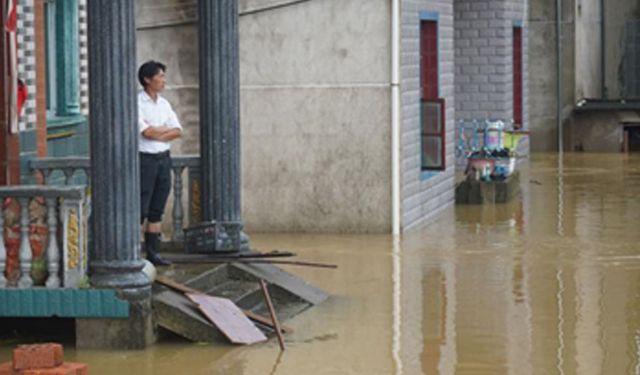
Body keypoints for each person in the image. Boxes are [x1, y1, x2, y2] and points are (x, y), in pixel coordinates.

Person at [138, 60, 182, 266]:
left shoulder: (164, 104)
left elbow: (178, 131)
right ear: (148, 79)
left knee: (158, 207)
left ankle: (153, 253)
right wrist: (161, 130)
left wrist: (158, 131)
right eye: (160, 76)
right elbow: (146, 132)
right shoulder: (137, 103)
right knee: (141, 206)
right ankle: (132, 250)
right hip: (145, 160)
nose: (164, 80)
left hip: (164, 159)